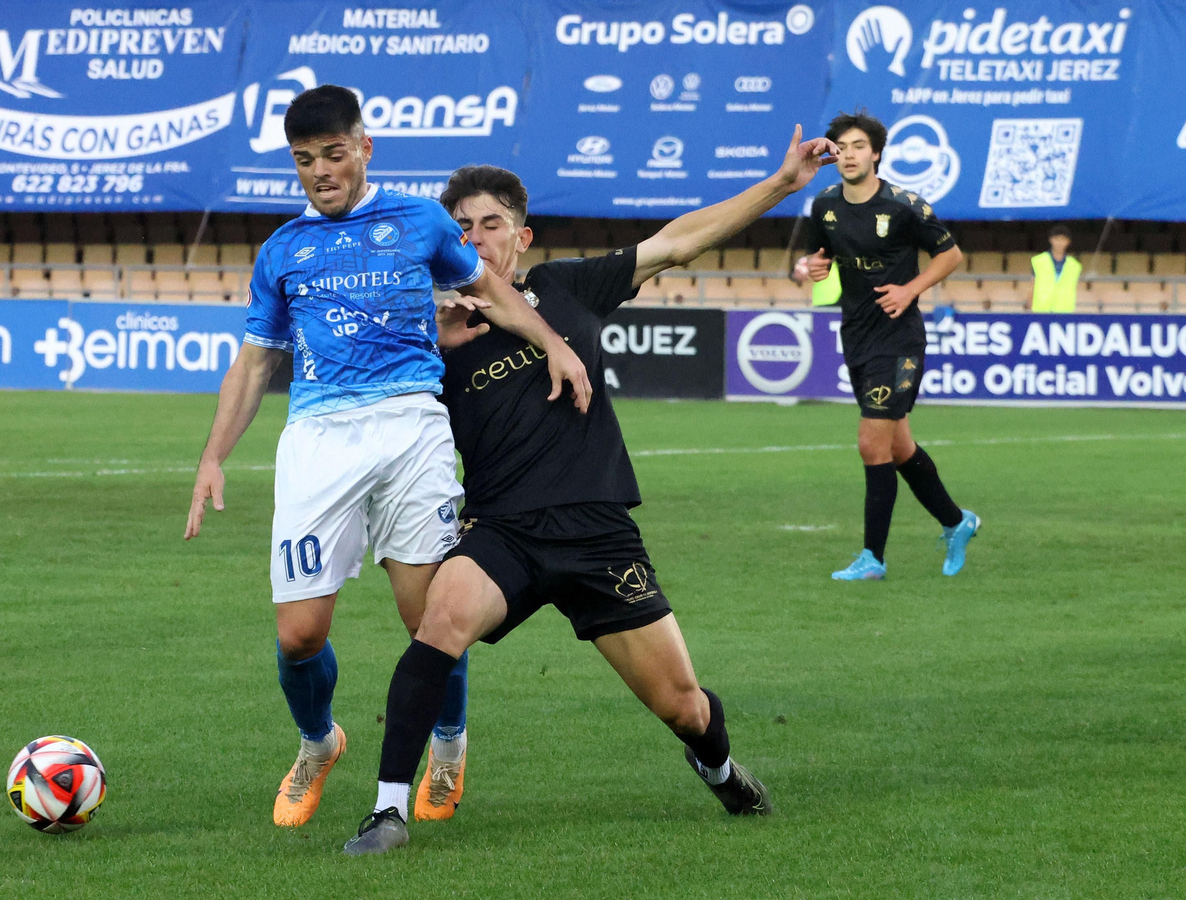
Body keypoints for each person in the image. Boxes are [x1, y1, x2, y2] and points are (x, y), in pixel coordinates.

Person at [340, 126, 837, 855]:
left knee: (683, 705)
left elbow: (678, 242)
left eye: (493, 225)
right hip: (502, 532)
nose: (477, 239)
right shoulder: (428, 333)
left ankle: (719, 766)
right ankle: (387, 811)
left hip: (597, 532)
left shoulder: (566, 288)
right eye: (463, 228)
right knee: (439, 624)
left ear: (522, 235)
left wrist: (782, 185)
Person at [183, 85, 590, 828]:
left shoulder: (419, 220)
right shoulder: (282, 252)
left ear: (364, 149)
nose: (320, 172)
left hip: (410, 430)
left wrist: (556, 345)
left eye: (334, 155)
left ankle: (447, 741)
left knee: (430, 618)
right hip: (317, 439)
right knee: (299, 634)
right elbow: (252, 364)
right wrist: (213, 456)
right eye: (305, 161)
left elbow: (491, 291)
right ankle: (318, 742)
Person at [803, 112, 979, 581]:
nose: (849, 154)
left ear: (876, 153)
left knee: (870, 442)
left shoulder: (904, 205)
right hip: (856, 334)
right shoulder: (823, 205)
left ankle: (872, 559)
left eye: (859, 146)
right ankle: (957, 522)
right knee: (899, 447)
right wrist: (811, 269)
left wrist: (910, 289)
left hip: (899, 339)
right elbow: (815, 259)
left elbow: (951, 254)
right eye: (841, 147)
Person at [1030, 224, 1080, 312]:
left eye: (1063, 239)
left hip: (1064, 311)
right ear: (1051, 240)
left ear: (1068, 241)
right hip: (1041, 311)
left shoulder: (1075, 265)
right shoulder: (1038, 261)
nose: (1059, 243)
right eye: (1056, 239)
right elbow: (1032, 285)